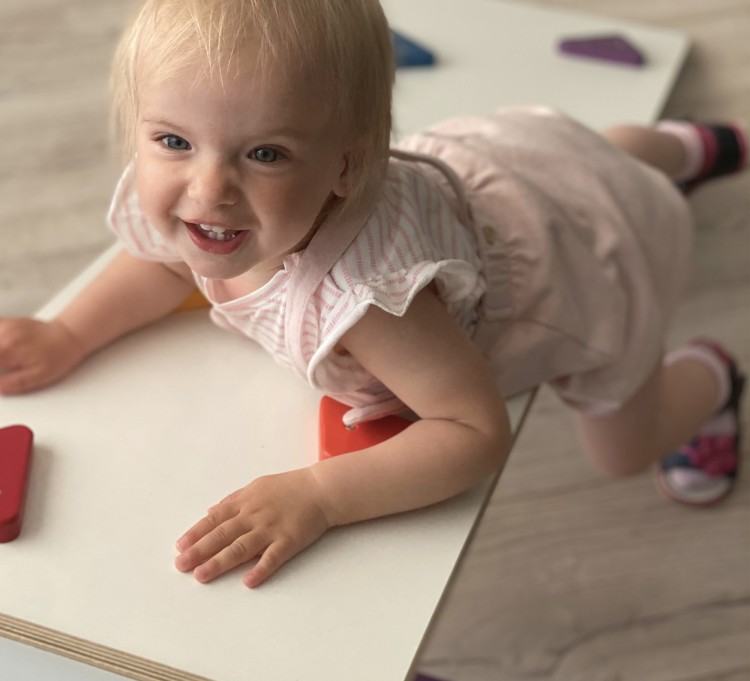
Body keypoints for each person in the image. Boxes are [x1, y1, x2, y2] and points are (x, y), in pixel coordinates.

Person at [0, 0, 745, 588]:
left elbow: (472, 431)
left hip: (584, 258)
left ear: (347, 168)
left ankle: (713, 377)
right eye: (172, 142)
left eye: (265, 154)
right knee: (587, 155)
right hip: (521, 163)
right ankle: (680, 147)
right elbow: (166, 263)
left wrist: (322, 496)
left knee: (622, 448)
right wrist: (67, 333)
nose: (207, 190)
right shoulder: (206, 204)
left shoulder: (371, 301)